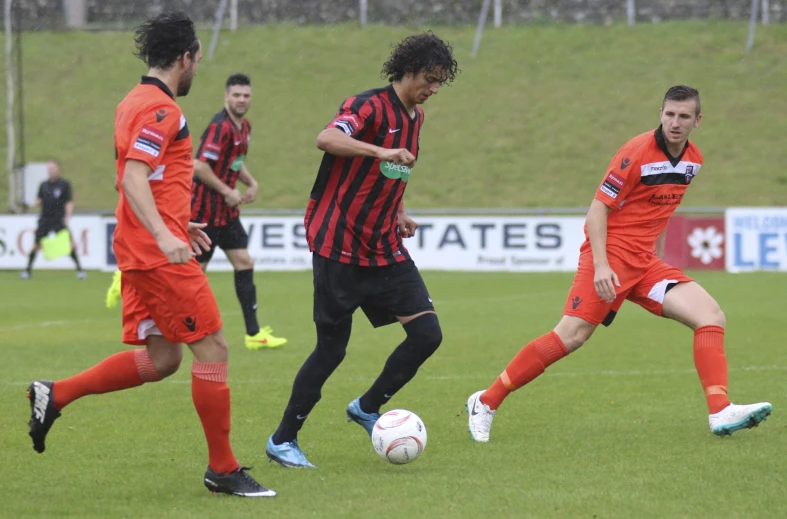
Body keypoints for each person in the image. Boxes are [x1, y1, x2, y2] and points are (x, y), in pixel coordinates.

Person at [26, 12, 276, 498]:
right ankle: (222, 470)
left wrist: (179, 223)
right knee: (215, 349)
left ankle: (55, 394)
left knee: (163, 359)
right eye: (198, 60)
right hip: (157, 255)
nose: (198, 70)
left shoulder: (131, 101)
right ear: (184, 58)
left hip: (140, 247)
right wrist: (165, 235)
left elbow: (148, 177)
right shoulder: (164, 110)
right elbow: (134, 176)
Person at [466, 85, 772, 442]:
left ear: (697, 121)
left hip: (645, 264)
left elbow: (656, 212)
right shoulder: (635, 152)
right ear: (660, 113)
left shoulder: (693, 161)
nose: (675, 122)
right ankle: (486, 402)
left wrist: (649, 258)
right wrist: (601, 267)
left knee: (711, 316)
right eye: (669, 114)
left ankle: (720, 410)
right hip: (609, 259)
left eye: (684, 116)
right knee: (571, 336)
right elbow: (597, 211)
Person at [264, 32, 458, 469]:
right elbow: (327, 138)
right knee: (332, 350)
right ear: (407, 71)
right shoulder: (367, 106)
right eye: (429, 79)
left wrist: (400, 210)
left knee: (428, 334)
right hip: (339, 244)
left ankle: (367, 407)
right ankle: (283, 440)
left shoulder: (417, 118)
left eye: (439, 81)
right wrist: (377, 148)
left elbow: (396, 171)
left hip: (384, 245)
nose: (433, 89)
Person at [190, 73, 287, 350]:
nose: (241, 100)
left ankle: (254, 334)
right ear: (226, 97)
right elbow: (199, 166)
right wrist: (226, 190)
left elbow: (235, 162)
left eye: (245, 95)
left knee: (244, 261)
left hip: (227, 214)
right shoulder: (219, 127)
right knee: (194, 273)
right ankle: (177, 323)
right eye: (236, 95)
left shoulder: (244, 128)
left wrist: (251, 182)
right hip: (204, 213)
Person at [21, 160, 85, 280]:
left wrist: (67, 216)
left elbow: (69, 202)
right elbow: (38, 200)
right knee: (36, 245)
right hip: (45, 219)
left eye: (53, 168)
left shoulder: (64, 184)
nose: (50, 171)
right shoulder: (43, 185)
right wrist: (35, 202)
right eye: (49, 169)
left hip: (58, 219)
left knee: (70, 244)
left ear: (58, 169)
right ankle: (27, 271)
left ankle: (80, 271)